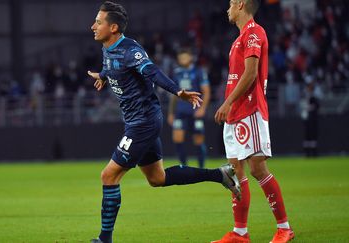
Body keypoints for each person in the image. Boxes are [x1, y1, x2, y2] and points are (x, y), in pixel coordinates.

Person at [87, 2, 241, 243]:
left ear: (113, 27)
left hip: (143, 123)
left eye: (98, 22)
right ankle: (219, 175)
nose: (93, 26)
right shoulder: (108, 47)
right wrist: (104, 76)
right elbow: (112, 65)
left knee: (108, 176)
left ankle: (105, 239)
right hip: (138, 121)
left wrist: (178, 92)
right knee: (157, 179)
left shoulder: (131, 51)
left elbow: (152, 71)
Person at [212, 1, 294, 242]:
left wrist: (226, 103)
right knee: (235, 174)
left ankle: (284, 228)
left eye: (230, 3)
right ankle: (240, 232)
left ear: (240, 4)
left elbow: (250, 73)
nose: (227, 8)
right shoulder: (238, 40)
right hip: (234, 115)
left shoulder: (255, 32)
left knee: (258, 169)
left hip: (250, 109)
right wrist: (229, 106)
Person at [167, 48, 211, 168]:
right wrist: (171, 113)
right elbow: (174, 95)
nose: (183, 60)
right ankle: (184, 167)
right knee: (177, 139)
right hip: (181, 112)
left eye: (185, 57)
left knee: (198, 140)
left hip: (195, 111)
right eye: (181, 58)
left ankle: (201, 167)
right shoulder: (177, 73)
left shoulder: (199, 72)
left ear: (191, 58)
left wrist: (202, 109)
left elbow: (206, 92)